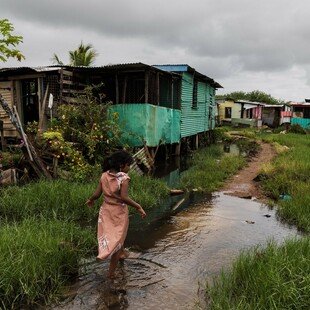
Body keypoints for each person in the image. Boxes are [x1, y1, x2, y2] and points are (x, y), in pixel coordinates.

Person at [86, 150, 146, 279]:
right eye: (129, 165)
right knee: (118, 239)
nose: (129, 168)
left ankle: (122, 253)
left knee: (116, 235)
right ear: (122, 165)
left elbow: (97, 194)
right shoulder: (124, 178)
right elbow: (124, 198)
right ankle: (111, 274)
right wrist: (138, 206)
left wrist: (91, 199)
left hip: (106, 211)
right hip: (119, 212)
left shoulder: (103, 176)